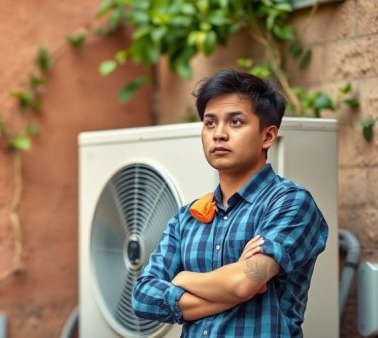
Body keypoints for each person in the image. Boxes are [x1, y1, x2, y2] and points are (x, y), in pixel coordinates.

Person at [131, 68, 328, 337]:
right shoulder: (186, 218)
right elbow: (142, 297)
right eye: (210, 123)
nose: (219, 134)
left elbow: (246, 281)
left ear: (267, 136)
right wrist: (232, 285)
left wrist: (183, 278)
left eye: (235, 122)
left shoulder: (289, 202)